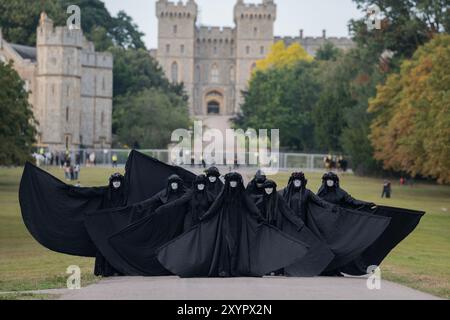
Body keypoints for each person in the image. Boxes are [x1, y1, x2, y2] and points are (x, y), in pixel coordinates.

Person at [156, 172, 310, 278]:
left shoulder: (241, 193)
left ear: (238, 182)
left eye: (236, 181)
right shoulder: (224, 193)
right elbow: (216, 205)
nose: (234, 183)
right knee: (226, 244)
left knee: (236, 245)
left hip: (239, 224)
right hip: (225, 222)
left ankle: (234, 269)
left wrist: (259, 216)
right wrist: (206, 216)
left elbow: (250, 205)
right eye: (231, 181)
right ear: (229, 182)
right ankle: (224, 269)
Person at [255, 179, 335, 276]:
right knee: (265, 248)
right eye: (266, 188)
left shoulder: (278, 198)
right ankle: (266, 268)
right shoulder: (262, 200)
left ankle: (277, 269)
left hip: (277, 228)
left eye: (270, 188)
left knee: (277, 248)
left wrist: (298, 223)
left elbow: (287, 212)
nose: (268, 190)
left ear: (273, 188)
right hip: (266, 228)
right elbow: (255, 212)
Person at [94, 173, 127, 277]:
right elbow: (91, 192)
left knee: (119, 247)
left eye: (118, 181)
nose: (116, 183)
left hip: (120, 225)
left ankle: (119, 269)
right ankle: (106, 269)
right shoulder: (106, 192)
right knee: (106, 246)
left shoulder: (125, 194)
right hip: (108, 225)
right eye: (114, 181)